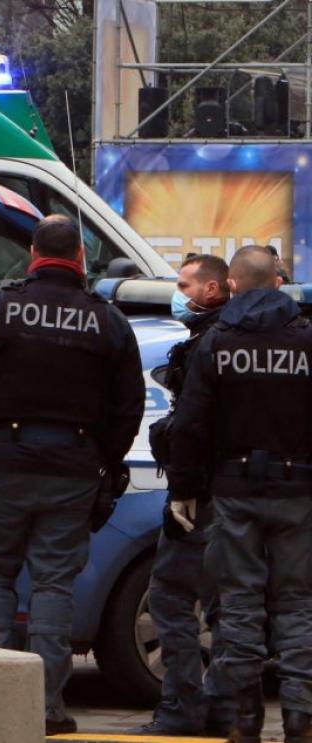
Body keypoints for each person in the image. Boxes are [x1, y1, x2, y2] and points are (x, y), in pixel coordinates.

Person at [0, 215, 145, 735]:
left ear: (32, 254)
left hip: (2, 465)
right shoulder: (107, 319)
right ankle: (47, 708)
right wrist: (103, 460)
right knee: (54, 585)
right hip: (72, 468)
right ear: (79, 257)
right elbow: (129, 406)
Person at [168, 245, 312, 743]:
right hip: (298, 491)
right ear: (278, 282)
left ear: (231, 286)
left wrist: (183, 490)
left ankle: (245, 719)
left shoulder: (218, 342)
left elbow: (190, 424)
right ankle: (299, 718)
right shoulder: (308, 341)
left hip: (233, 489)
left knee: (239, 605)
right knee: (298, 605)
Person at [136, 253, 233, 736]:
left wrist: (182, 494)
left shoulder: (207, 346)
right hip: (238, 492)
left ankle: (182, 704)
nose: (178, 294)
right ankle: (223, 705)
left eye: (184, 284)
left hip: (202, 493)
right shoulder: (235, 339)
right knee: (228, 604)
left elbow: (194, 429)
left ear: (212, 290)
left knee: (170, 598)